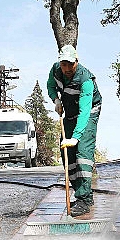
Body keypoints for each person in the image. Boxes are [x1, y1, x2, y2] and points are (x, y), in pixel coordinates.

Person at [46, 44, 102, 217]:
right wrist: (56, 100)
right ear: (59, 63)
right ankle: (81, 193)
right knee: (67, 155)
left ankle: (84, 199)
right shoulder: (55, 70)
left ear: (77, 61)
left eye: (71, 64)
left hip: (88, 112)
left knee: (82, 154)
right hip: (69, 112)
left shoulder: (85, 79)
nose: (67, 68)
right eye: (64, 64)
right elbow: (50, 86)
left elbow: (85, 111)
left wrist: (76, 137)